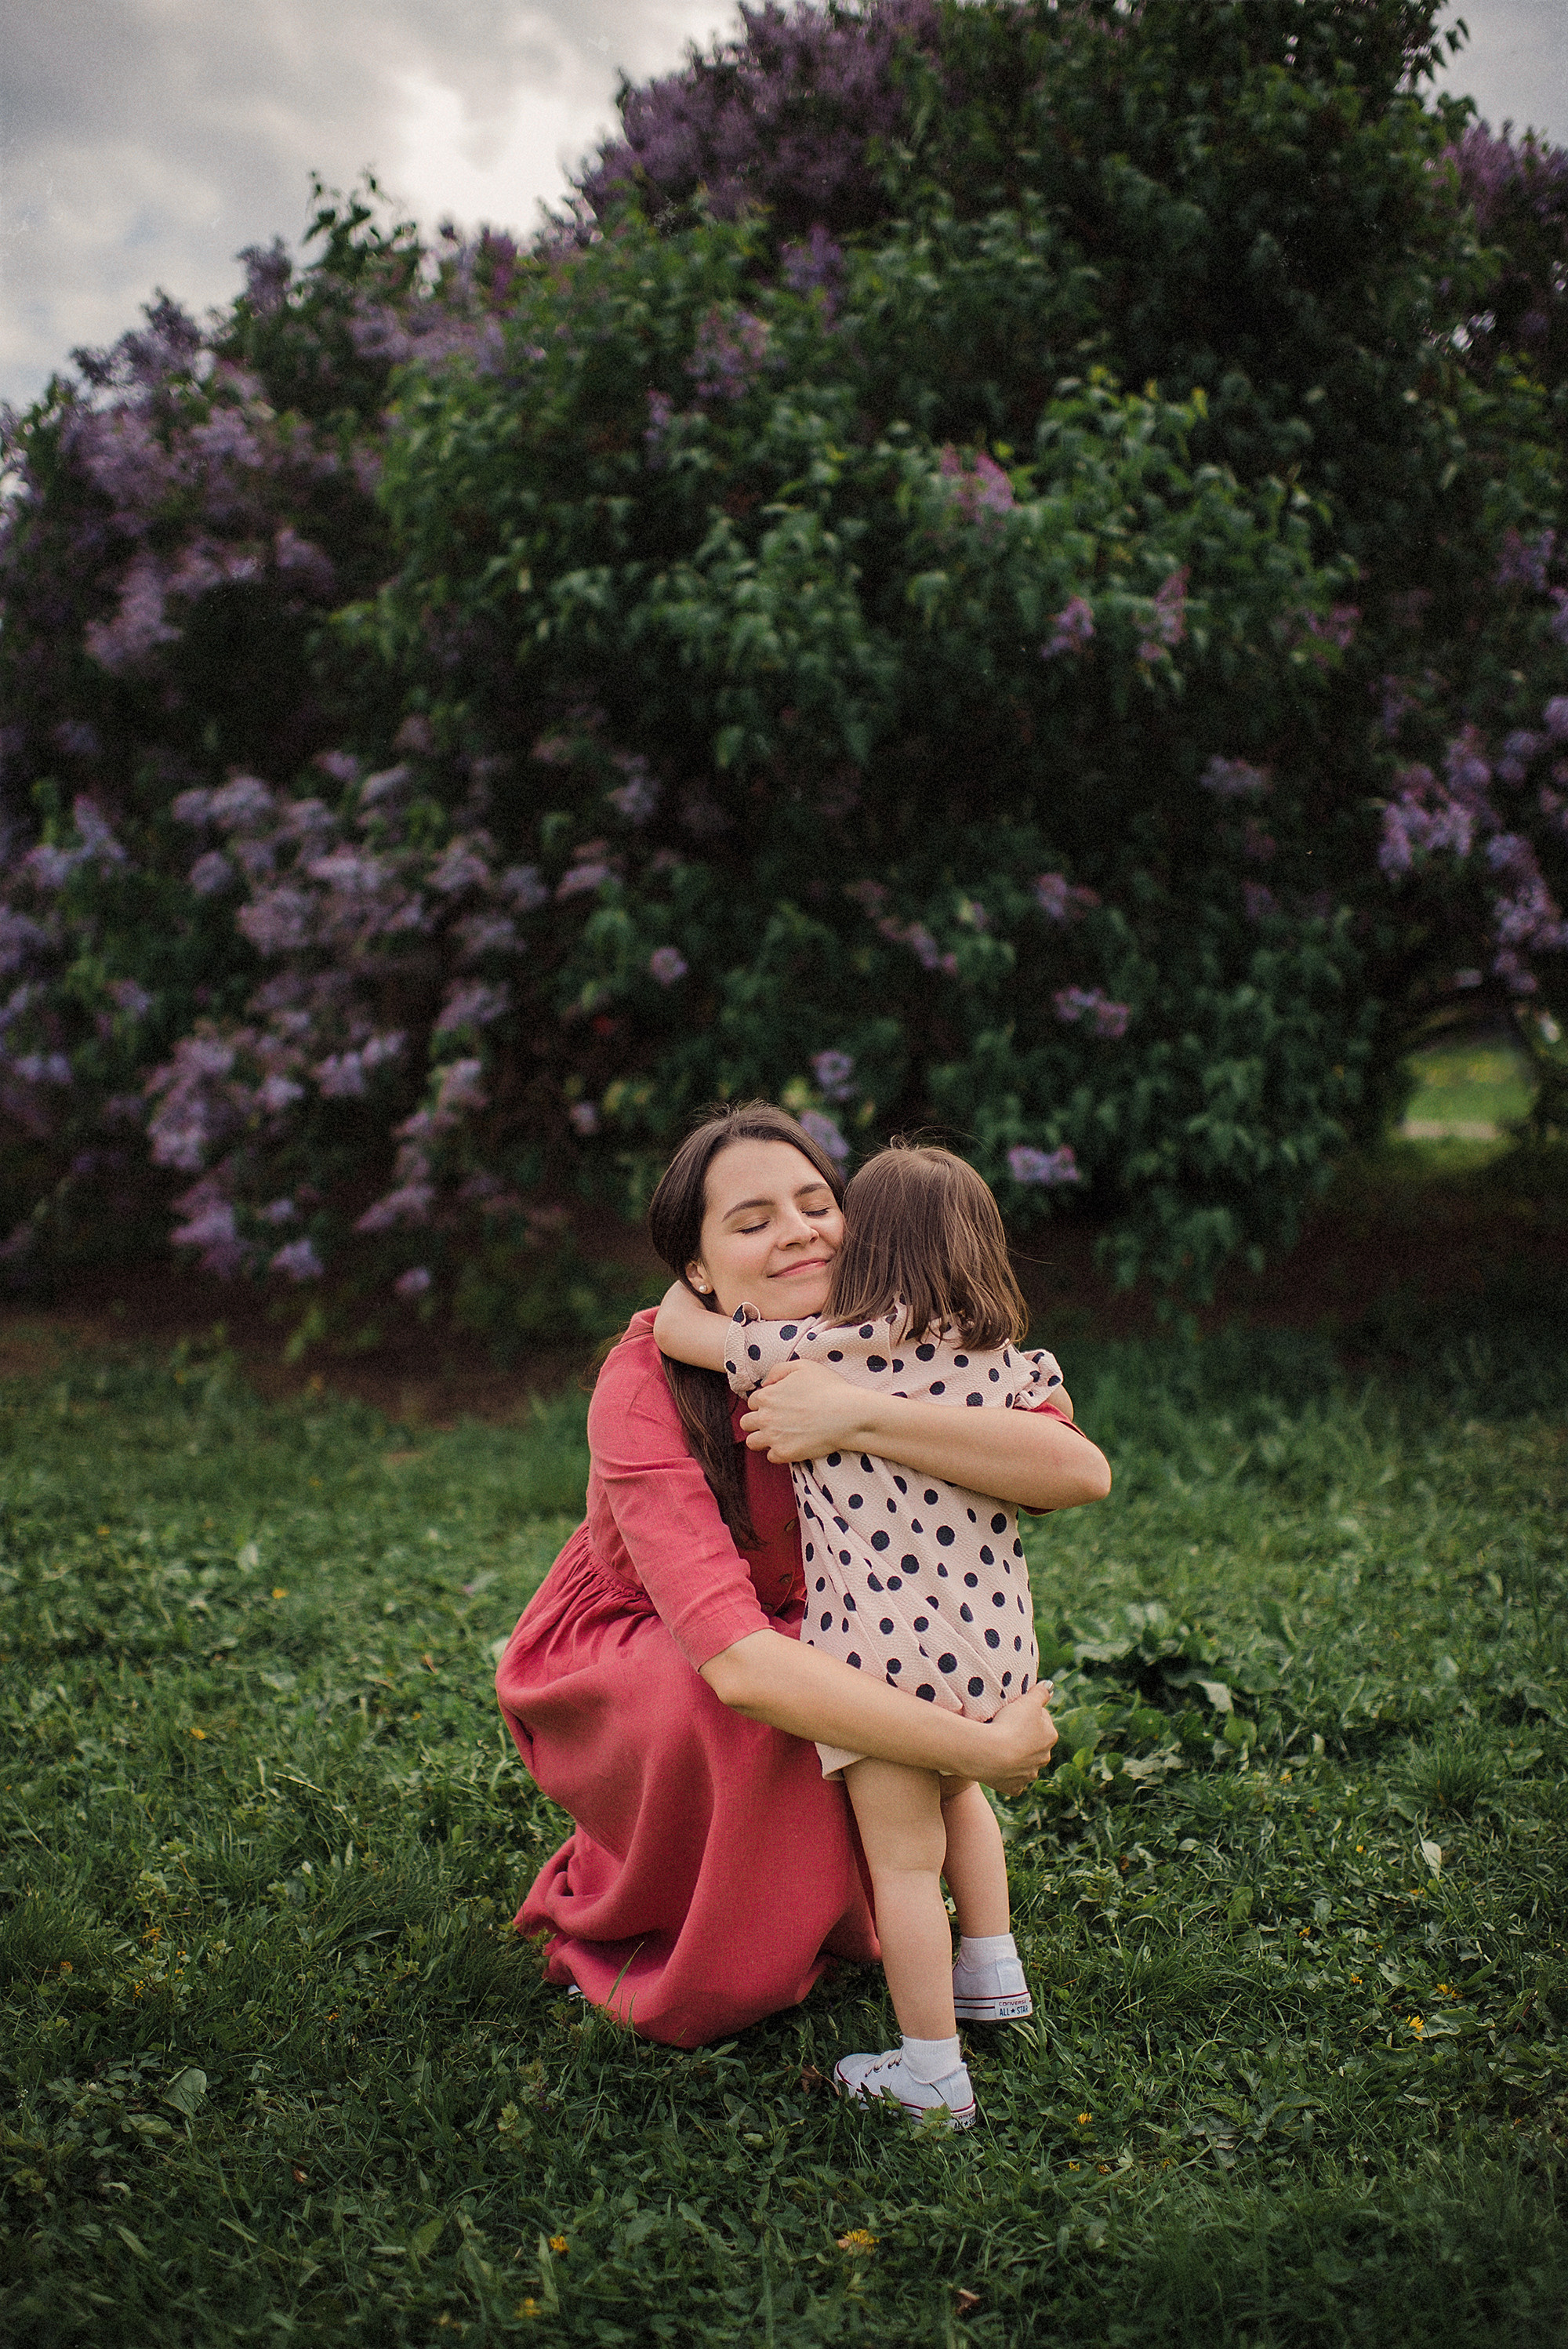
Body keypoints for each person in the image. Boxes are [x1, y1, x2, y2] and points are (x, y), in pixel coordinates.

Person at [495, 1104, 1110, 2054]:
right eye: (750, 1221)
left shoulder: (888, 1340)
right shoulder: (646, 1383)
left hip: (820, 1618)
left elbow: (1071, 1467)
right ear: (697, 1268)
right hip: (643, 1638)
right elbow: (735, 1660)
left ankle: (844, 1909)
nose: (797, 1231)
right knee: (745, 1705)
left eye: (816, 1202)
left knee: (852, 1672)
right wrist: (974, 1750)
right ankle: (707, 1936)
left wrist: (854, 1413)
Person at [654, 1141, 1107, 2127]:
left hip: (880, 1652)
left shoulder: (817, 1350)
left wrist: (683, 1296)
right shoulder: (1010, 1363)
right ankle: (993, 1969)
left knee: (902, 1865)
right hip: (999, 1649)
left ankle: (932, 2072)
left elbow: (681, 1331)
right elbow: (1061, 1433)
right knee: (964, 1799)